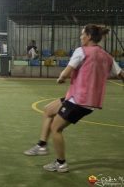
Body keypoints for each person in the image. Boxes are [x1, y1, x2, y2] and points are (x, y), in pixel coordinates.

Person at [23, 24, 124, 173]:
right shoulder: (107, 56)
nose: (80, 37)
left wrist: (61, 78)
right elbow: (121, 74)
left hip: (80, 101)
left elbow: (68, 70)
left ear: (89, 36)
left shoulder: (81, 51)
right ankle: (41, 145)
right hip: (80, 99)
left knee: (55, 128)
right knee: (48, 110)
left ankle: (61, 163)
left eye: (82, 34)